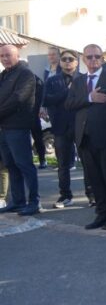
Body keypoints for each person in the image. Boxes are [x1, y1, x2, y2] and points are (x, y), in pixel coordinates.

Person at [65, 44, 106, 230]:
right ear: (83, 59)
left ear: (103, 58)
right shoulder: (78, 81)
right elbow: (69, 104)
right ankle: (101, 213)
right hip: (85, 138)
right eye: (89, 57)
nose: (93, 60)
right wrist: (89, 98)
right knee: (94, 179)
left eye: (97, 56)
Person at [0, 44, 41, 215]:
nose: (5, 58)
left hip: (18, 127)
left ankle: (34, 202)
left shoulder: (25, 74)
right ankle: (17, 201)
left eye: (8, 55)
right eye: (2, 56)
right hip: (4, 127)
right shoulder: (3, 75)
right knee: (11, 165)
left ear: (17, 55)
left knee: (24, 165)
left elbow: (18, 98)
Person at [43, 49, 81, 208]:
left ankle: (93, 195)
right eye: (64, 59)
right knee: (63, 164)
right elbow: (46, 100)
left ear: (76, 62)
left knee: (89, 162)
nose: (67, 62)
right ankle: (65, 195)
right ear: (60, 62)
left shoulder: (83, 79)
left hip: (80, 126)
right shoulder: (52, 81)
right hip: (60, 127)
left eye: (70, 59)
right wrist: (67, 92)